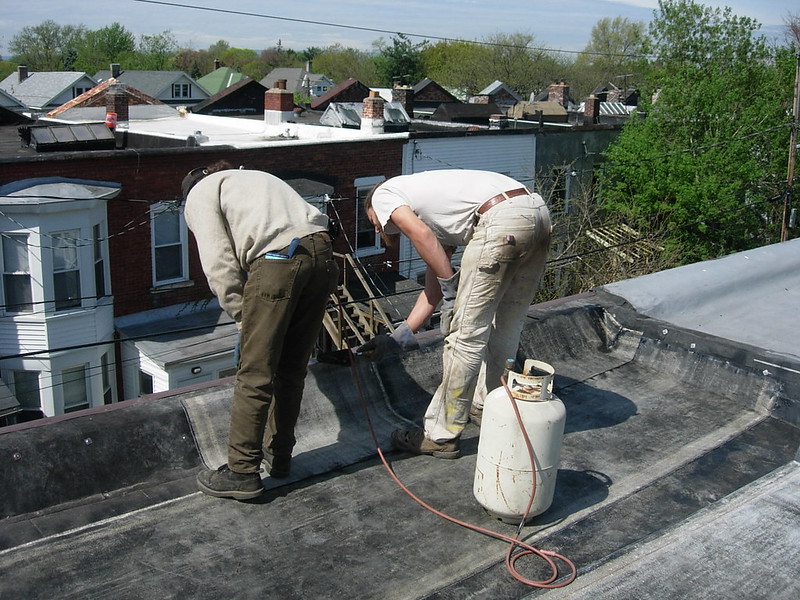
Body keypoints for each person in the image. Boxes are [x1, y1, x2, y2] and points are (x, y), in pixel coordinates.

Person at [359, 169, 551, 459]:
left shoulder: (385, 194)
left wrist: (452, 290)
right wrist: (398, 337)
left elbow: (422, 237)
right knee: (506, 328)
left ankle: (440, 435)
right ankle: (488, 405)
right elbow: (433, 292)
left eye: (374, 221)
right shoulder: (439, 211)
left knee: (464, 337)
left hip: (500, 220)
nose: (378, 229)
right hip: (537, 214)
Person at [181, 162, 339, 499]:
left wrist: (243, 318)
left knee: (255, 373)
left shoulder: (199, 194)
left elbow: (219, 265)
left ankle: (242, 471)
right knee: (292, 369)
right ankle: (279, 456)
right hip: (323, 254)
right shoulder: (254, 177)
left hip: (278, 260)